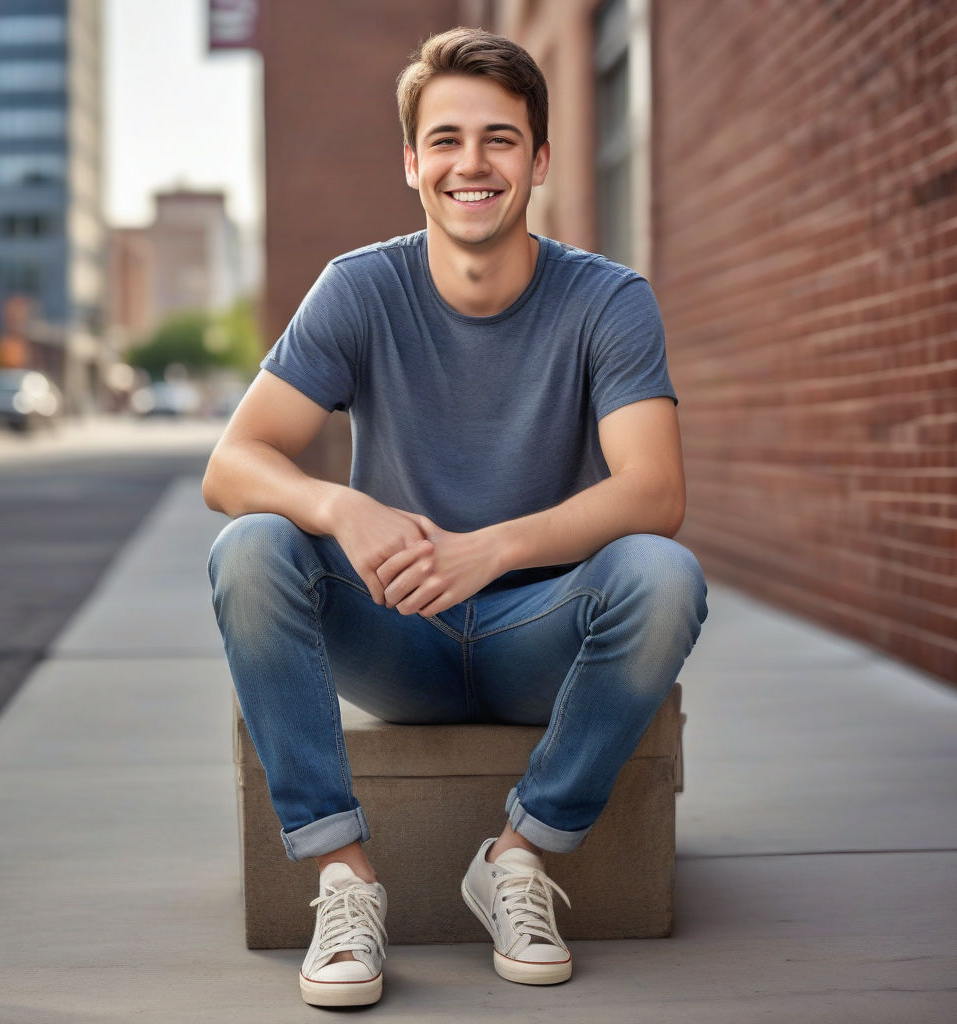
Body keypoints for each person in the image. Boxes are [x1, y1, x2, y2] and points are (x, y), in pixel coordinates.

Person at [204, 26, 707, 1008]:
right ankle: (344, 879)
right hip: (397, 633)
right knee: (252, 545)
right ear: (411, 162)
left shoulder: (608, 302)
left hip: (539, 633)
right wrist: (339, 506)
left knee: (661, 573)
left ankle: (518, 856)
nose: (469, 163)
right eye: (444, 139)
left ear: (541, 160)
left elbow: (656, 493)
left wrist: (493, 550)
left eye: (498, 139)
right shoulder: (359, 288)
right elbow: (232, 462)